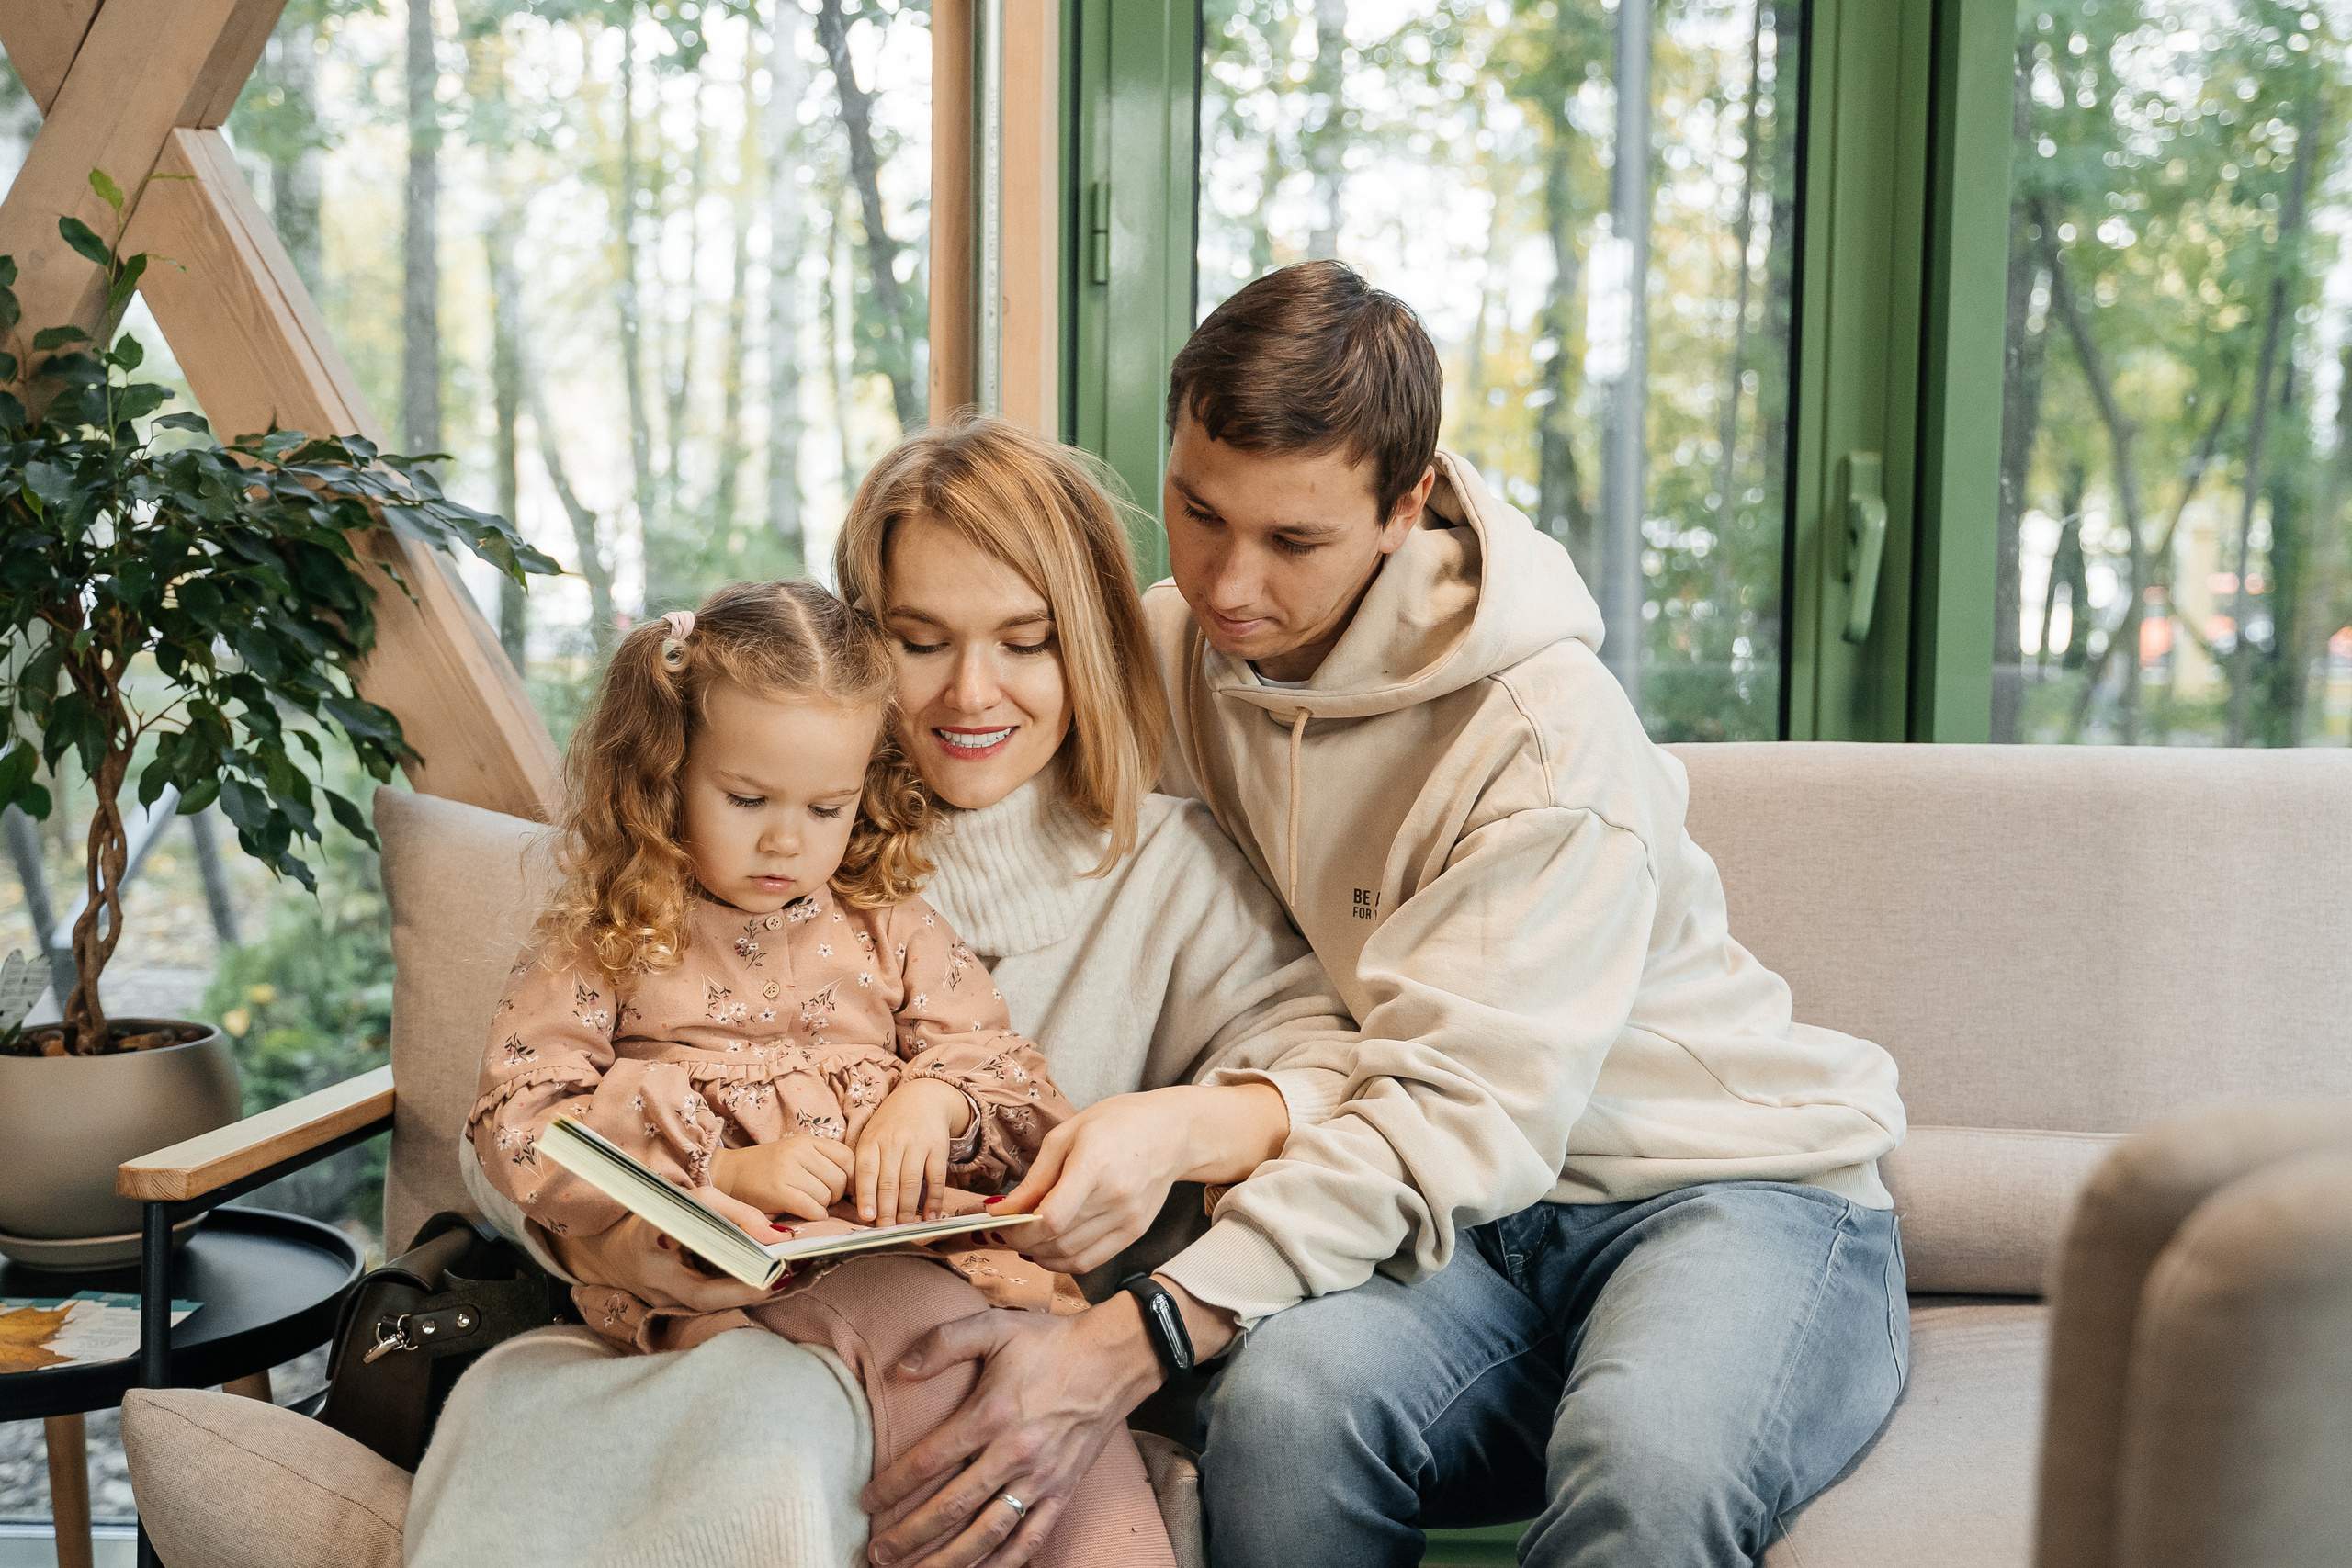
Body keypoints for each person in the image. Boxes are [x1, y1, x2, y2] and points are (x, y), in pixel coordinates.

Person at [444, 417, 1368, 1567]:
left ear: (1086, 646)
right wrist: (617, 1240)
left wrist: (1167, 1130)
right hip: (724, 1332)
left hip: (986, 1342)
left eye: (1027, 641)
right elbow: (516, 1127)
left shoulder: (1173, 875)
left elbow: (1339, 1075)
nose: (971, 692)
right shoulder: (711, 860)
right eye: (920, 641)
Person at [465, 578, 1173, 1566]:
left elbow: (1008, 1072)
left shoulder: (891, 926)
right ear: (665, 775)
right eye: (747, 798)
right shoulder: (610, 941)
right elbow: (522, 1122)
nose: (785, 840)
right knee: (936, 1354)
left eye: (827, 806)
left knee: (1024, 1349)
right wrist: (717, 1177)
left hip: (922, 1260)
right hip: (733, 1290)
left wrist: (936, 1099)